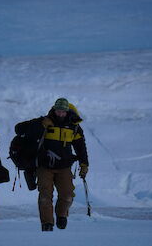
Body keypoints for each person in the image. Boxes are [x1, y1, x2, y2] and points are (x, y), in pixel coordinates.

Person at [15, 98, 89, 231]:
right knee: (45, 197)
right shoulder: (44, 121)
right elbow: (18, 129)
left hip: (64, 167)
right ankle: (47, 224)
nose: (60, 114)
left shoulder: (75, 126)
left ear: (67, 112)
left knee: (67, 196)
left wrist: (84, 164)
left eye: (63, 112)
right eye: (58, 111)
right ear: (54, 109)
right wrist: (40, 125)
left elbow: (81, 147)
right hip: (45, 166)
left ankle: (61, 215)